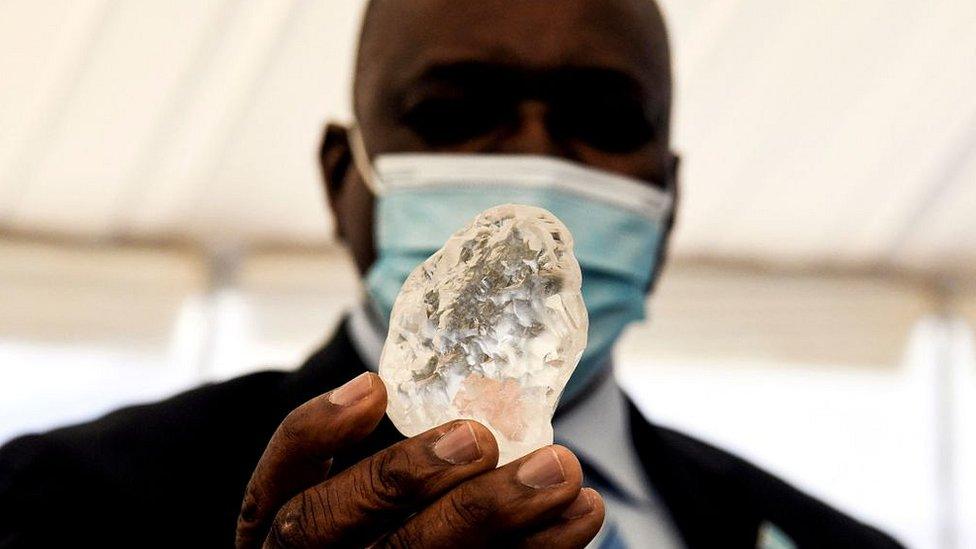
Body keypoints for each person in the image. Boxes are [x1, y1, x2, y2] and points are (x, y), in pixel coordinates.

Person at [0, 1, 903, 547]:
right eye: (453, 111)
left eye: (604, 118)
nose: (534, 160)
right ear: (341, 182)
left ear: (668, 197)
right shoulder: (56, 511)